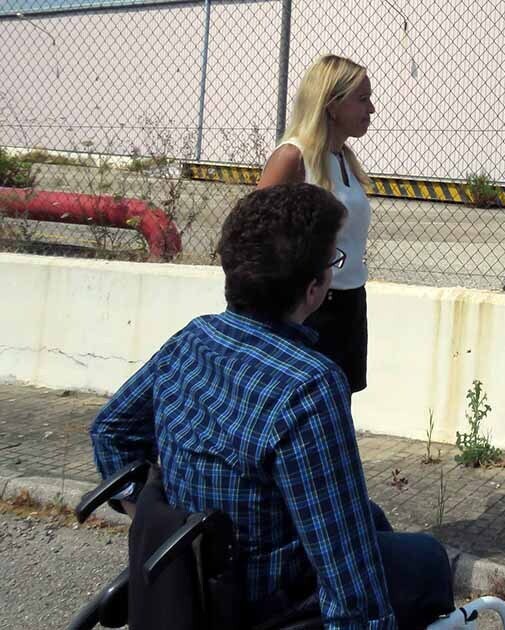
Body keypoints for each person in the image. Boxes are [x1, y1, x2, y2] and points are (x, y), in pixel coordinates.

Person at [90, 184, 454, 628]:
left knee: (371, 516)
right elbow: (347, 578)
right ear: (314, 287)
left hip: (196, 582)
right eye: (333, 262)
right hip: (268, 602)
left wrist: (151, 520)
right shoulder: (309, 385)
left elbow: (110, 432)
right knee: (428, 559)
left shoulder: (193, 338)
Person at [259, 54, 375, 394]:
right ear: (332, 105)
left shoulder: (345, 160)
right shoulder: (293, 157)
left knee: (336, 407)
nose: (371, 109)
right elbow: (250, 236)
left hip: (349, 303)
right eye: (362, 99)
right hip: (306, 309)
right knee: (297, 405)